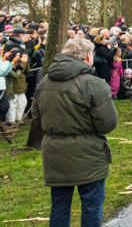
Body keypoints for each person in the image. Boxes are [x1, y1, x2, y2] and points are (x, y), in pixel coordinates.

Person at [30, 36, 118, 227]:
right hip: (88, 153)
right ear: (88, 56)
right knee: (91, 206)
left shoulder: (44, 83)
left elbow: (36, 119)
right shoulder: (94, 84)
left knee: (59, 206)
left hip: (55, 153)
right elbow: (108, 123)